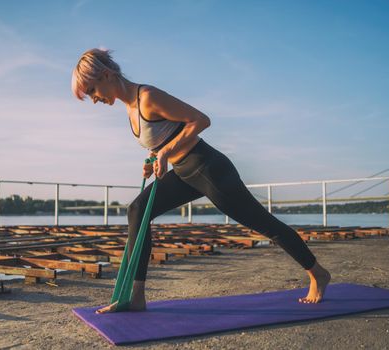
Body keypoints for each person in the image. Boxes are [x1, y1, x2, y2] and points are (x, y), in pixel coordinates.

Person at [72, 48, 331, 314]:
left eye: (92, 91)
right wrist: (153, 158)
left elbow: (200, 120)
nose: (94, 99)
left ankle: (317, 273)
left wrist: (165, 153)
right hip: (184, 173)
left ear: (106, 74)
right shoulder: (130, 109)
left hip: (209, 168)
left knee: (263, 223)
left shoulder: (147, 97)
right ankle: (137, 297)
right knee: (137, 210)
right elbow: (163, 136)